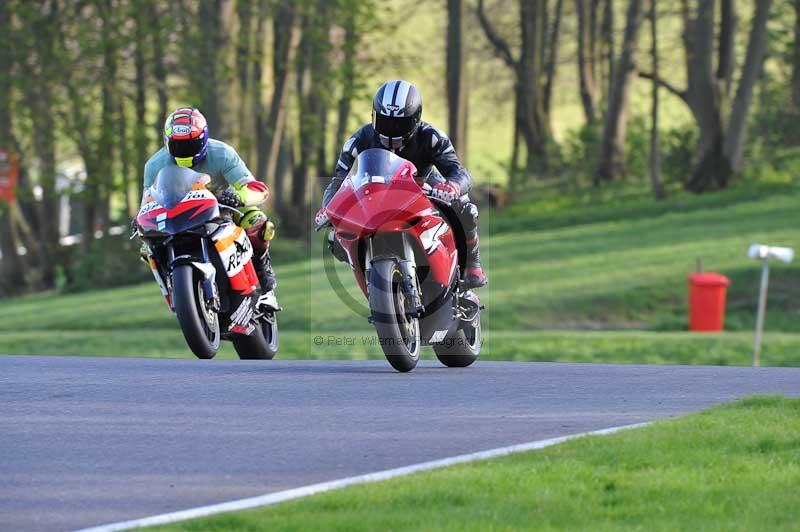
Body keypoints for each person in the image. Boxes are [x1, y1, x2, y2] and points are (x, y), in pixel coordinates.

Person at [316, 80, 487, 288]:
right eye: (385, 122)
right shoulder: (358, 141)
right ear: (373, 116)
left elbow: (458, 171)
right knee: (335, 236)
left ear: (416, 119)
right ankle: (370, 274)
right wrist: (329, 208)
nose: (391, 131)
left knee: (465, 207)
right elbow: (338, 181)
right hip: (374, 193)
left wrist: (452, 187)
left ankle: (472, 264)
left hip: (423, 186)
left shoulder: (432, 137)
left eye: (400, 124)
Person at [142, 107, 276, 292]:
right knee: (146, 248)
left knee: (258, 223)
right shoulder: (154, 165)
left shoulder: (222, 153)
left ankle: (261, 266)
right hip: (177, 215)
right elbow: (146, 203)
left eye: (190, 144)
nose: (184, 151)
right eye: (178, 145)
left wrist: (239, 196)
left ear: (204, 138)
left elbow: (256, 189)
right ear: (167, 142)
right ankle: (173, 289)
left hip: (223, 207)